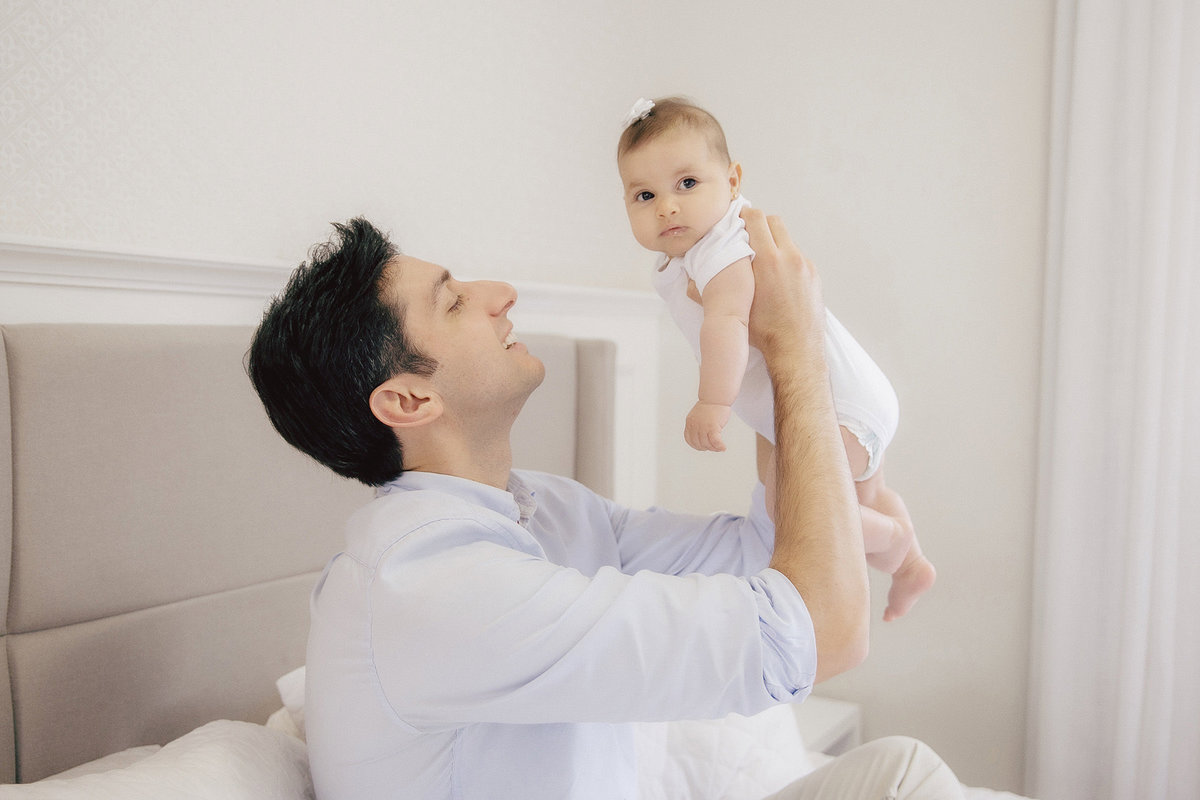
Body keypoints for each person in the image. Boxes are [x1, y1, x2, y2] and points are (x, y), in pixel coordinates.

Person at [247, 213, 964, 799]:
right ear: (407, 400)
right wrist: (793, 349)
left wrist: (751, 356)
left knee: (899, 771)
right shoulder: (429, 591)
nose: (500, 292)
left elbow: (768, 551)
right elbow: (820, 631)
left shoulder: (540, 509)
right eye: (455, 301)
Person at [617, 96, 936, 621]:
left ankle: (897, 544)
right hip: (832, 397)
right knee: (862, 491)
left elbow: (725, 324)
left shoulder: (721, 250)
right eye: (644, 194)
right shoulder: (708, 240)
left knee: (789, 510)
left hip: (836, 406)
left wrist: (711, 404)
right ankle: (912, 565)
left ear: (732, 180)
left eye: (687, 184)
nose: (667, 206)